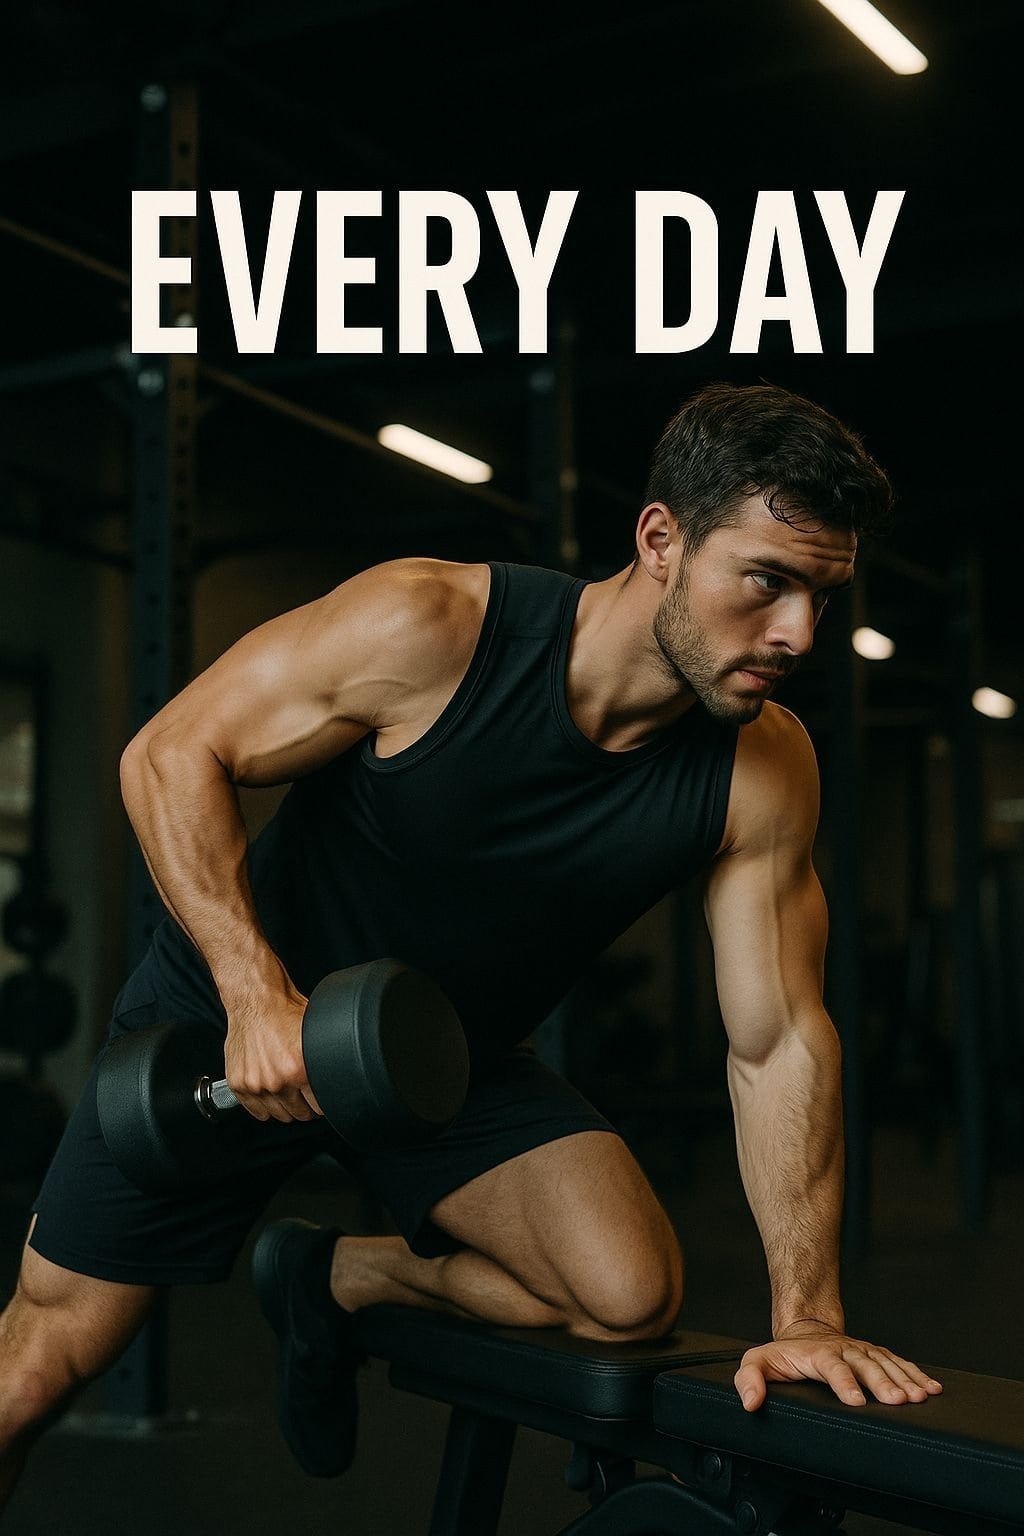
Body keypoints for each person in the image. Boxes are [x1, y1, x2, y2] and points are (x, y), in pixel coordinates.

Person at [0, 381, 942, 1501]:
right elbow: (170, 753)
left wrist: (809, 1316)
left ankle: (333, 1276)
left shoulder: (762, 767)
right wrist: (253, 992)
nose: (796, 633)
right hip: (237, 1021)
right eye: (767, 583)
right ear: (659, 540)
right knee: (40, 1365)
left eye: (821, 598)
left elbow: (778, 1038)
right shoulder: (431, 626)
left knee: (624, 1295)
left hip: (444, 1061)